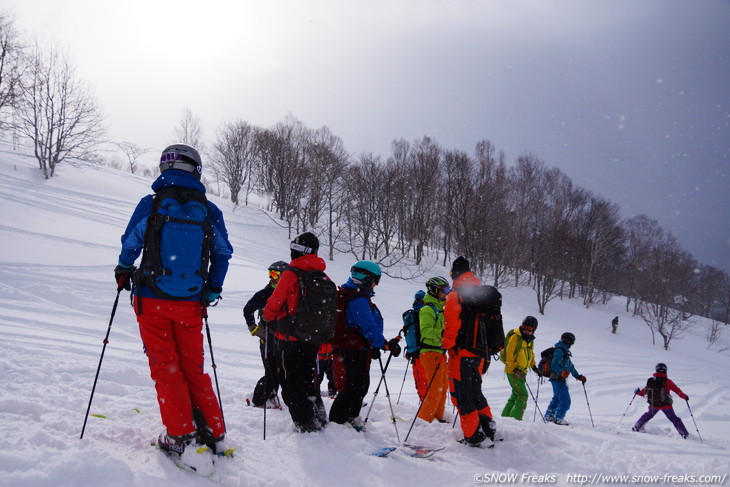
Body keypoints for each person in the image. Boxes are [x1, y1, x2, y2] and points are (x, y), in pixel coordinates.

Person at [114, 144, 234, 458]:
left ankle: (180, 434)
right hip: (191, 302)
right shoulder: (209, 210)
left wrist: (125, 268)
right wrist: (212, 290)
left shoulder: (151, 204)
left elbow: (131, 243)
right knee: (193, 367)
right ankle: (213, 432)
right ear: (196, 170)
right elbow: (222, 253)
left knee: (166, 367)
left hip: (151, 299)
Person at [263, 232, 329, 432]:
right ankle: (318, 417)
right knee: (308, 379)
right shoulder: (323, 275)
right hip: (312, 338)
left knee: (291, 383)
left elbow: (274, 303)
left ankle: (305, 423)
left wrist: (267, 317)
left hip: (290, 337)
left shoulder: (291, 274)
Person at [329, 261, 401, 430]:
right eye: (376, 279)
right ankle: (338, 424)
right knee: (353, 388)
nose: (376, 284)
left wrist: (376, 346)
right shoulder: (358, 298)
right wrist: (384, 345)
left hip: (356, 349)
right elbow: (368, 326)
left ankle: (350, 419)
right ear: (367, 278)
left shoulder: (356, 295)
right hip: (353, 351)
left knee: (358, 387)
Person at [443, 256, 497, 447]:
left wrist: (446, 345)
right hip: (479, 355)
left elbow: (452, 326)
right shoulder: (481, 295)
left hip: (461, 354)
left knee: (461, 395)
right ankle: (487, 426)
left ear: (455, 273)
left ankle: (473, 435)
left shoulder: (455, 295)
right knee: (475, 391)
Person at [242, 261, 289, 408]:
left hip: (284, 339)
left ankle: (270, 396)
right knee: (271, 372)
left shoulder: (289, 293)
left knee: (282, 372)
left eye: (275, 274)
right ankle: (259, 400)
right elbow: (247, 309)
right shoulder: (264, 293)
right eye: (270, 273)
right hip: (267, 338)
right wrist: (254, 329)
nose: (271, 277)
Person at [416, 276, 451, 423]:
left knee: (443, 389)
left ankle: (437, 418)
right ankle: (424, 421)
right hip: (430, 353)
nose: (447, 294)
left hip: (440, 353)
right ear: (434, 290)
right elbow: (426, 332)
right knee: (434, 390)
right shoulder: (427, 309)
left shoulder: (440, 309)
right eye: (444, 291)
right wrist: (443, 333)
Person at [632, 363, 690, 438]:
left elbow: (643, 392)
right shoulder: (668, 381)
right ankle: (684, 434)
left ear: (656, 370)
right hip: (666, 405)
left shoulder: (651, 381)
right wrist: (685, 397)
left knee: (648, 415)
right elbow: (677, 391)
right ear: (665, 371)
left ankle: (637, 427)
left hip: (654, 404)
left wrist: (637, 392)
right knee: (674, 419)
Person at [501, 316, 540, 420]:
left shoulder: (530, 340)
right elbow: (509, 357)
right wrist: (514, 370)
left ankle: (505, 418)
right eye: (525, 327)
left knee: (515, 395)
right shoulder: (515, 337)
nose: (527, 331)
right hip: (513, 372)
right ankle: (516, 420)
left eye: (530, 329)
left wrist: (534, 367)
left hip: (522, 372)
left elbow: (530, 354)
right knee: (523, 396)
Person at [544, 332, 586, 425]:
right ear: (568, 341)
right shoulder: (560, 350)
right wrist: (561, 372)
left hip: (558, 379)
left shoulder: (564, 350)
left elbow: (570, 366)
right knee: (565, 400)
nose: (571, 344)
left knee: (557, 399)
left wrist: (578, 376)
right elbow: (554, 364)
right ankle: (558, 418)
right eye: (571, 342)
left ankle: (549, 416)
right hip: (557, 379)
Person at [406, 290, 428, 402]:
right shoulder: (426, 313)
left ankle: (425, 404)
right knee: (430, 381)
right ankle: (429, 407)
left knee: (421, 382)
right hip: (427, 352)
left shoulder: (412, 314)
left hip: (416, 354)